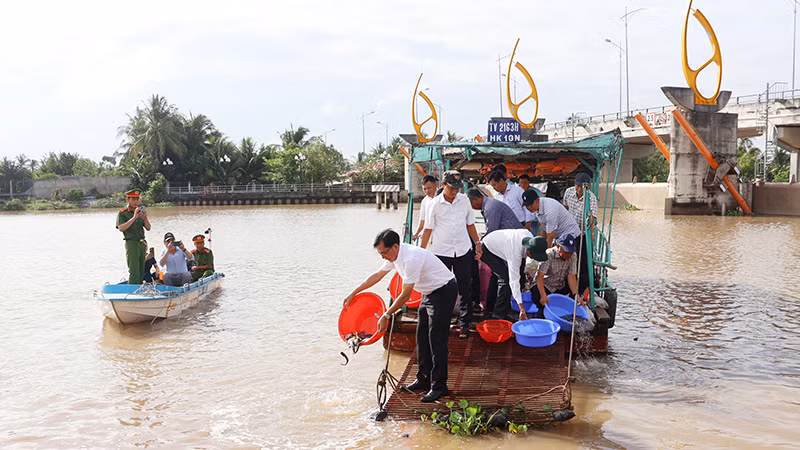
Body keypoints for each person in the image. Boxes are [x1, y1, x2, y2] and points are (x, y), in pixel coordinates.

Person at [344, 229, 457, 403]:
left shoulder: (410, 258)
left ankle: (439, 387)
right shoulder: (394, 256)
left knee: (437, 339)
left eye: (384, 253)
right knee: (422, 337)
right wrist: (354, 292)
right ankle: (423, 378)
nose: (383, 257)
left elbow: (405, 295)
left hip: (443, 291)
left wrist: (386, 315)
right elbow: (377, 276)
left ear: (395, 246)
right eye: (380, 254)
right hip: (429, 293)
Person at [420, 171, 482, 338]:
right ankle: (441, 322)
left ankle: (464, 324)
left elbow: (470, 225)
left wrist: (477, 243)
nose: (454, 192)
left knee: (465, 287)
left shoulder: (464, 201)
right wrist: (422, 252)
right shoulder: (434, 205)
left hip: (462, 250)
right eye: (451, 188)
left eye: (457, 188)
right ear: (443, 185)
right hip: (441, 252)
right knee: (440, 288)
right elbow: (427, 230)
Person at [480, 228, 536, 322]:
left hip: (500, 244)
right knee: (505, 279)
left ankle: (496, 307)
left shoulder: (530, 237)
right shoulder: (515, 253)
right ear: (528, 250)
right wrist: (521, 307)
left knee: (508, 276)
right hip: (487, 248)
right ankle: (498, 315)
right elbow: (514, 281)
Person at [562, 172, 598, 293]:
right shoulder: (568, 193)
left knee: (583, 262)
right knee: (568, 257)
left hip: (583, 234)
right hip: (569, 232)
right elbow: (565, 208)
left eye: (582, 187)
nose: (579, 189)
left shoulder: (591, 198)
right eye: (577, 186)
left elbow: (592, 217)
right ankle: (566, 286)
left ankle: (583, 289)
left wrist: (591, 234)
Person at [527, 234, 581, 311]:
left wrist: (576, 295)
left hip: (560, 285)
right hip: (546, 284)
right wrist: (543, 295)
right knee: (537, 294)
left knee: (579, 286)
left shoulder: (573, 255)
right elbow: (540, 277)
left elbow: (571, 276)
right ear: (559, 246)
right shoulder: (549, 254)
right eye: (566, 252)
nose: (569, 255)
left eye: (571, 252)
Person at [116, 189, 151, 284]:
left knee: (141, 271)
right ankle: (132, 292)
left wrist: (145, 218)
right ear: (128, 199)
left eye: (137, 199)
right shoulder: (123, 212)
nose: (136, 202)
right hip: (131, 243)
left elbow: (148, 228)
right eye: (133, 199)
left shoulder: (140, 211)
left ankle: (139, 290)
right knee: (134, 270)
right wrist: (134, 217)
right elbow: (121, 228)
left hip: (142, 243)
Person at [412, 175, 439, 241]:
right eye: (424, 189)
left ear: (436, 186)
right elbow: (422, 221)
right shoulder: (424, 201)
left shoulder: (442, 197)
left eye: (429, 188)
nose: (427, 191)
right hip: (430, 235)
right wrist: (416, 234)